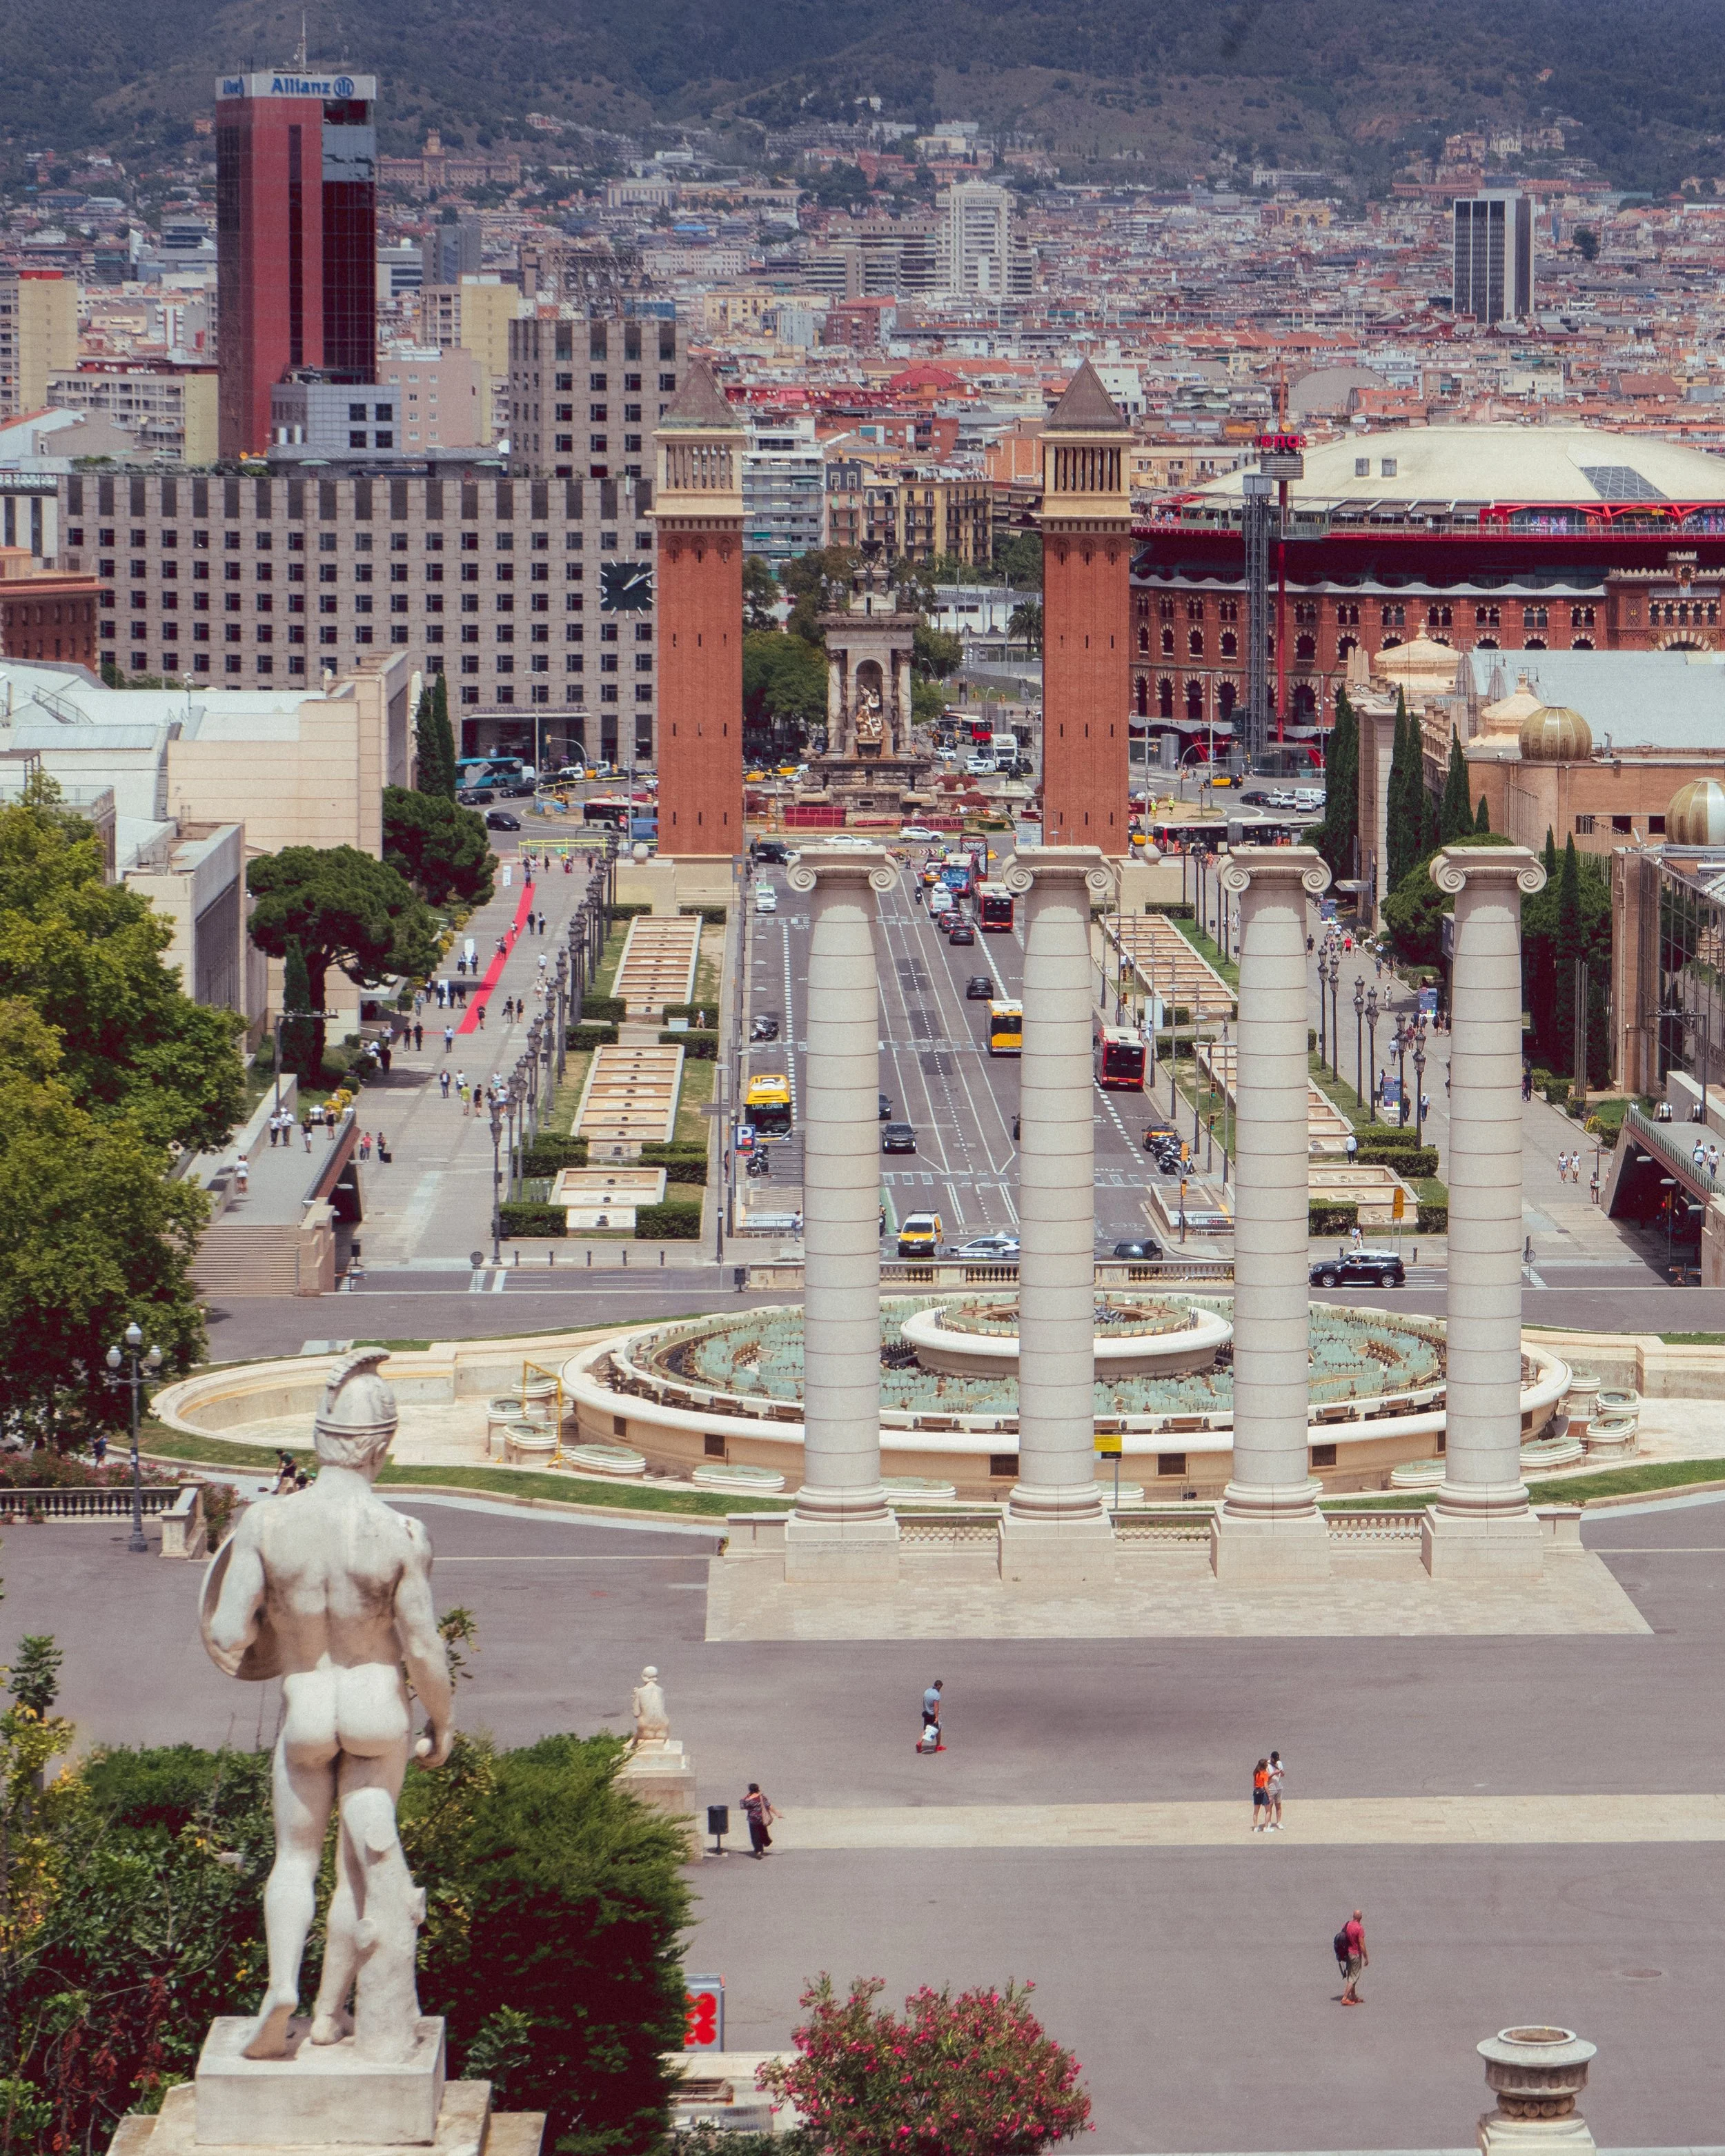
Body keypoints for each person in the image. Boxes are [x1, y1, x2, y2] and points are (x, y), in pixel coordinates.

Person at [740, 1781, 780, 1859]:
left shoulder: (747, 1799)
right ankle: (766, 1842)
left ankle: (758, 1850)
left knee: (755, 1835)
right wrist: (777, 1813)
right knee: (763, 1831)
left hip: (752, 1819)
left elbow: (743, 1806)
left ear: (750, 1790)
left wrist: (747, 1797)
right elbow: (769, 1806)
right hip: (761, 1818)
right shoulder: (761, 1797)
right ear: (758, 1789)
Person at [1339, 1908, 1368, 2004]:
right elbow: (1362, 1944)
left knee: (1351, 1974)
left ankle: (1353, 1996)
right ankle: (1345, 1998)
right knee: (1354, 1977)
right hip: (1355, 1954)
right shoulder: (1359, 1928)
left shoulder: (1347, 1925)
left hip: (1348, 1954)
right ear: (1361, 1917)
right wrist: (1366, 1957)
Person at [919, 1678, 945, 1754]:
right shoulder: (936, 1695)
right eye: (941, 1687)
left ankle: (919, 1743)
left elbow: (924, 1701)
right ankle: (938, 1746)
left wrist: (925, 1709)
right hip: (933, 1714)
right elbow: (936, 1707)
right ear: (939, 1686)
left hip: (926, 1713)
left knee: (926, 1729)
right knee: (938, 1729)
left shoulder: (927, 1691)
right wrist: (936, 1717)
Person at [1252, 1757, 1271, 1831]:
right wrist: (1269, 1795)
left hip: (1256, 1791)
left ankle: (1256, 1827)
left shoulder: (1256, 1773)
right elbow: (1266, 1786)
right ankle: (1266, 1827)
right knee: (1268, 1810)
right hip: (1263, 1792)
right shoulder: (1265, 1774)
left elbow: (1254, 1784)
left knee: (1256, 1811)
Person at [1268, 1750, 1285, 1830]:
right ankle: (1269, 1822)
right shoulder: (1267, 1765)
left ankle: (1279, 1822)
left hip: (1279, 1787)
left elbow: (1282, 1775)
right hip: (1271, 1788)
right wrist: (1274, 1773)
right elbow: (1266, 1778)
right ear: (1272, 1758)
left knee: (1278, 1805)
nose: (1276, 1761)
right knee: (1270, 1806)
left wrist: (1281, 1773)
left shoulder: (1279, 1763)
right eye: (1275, 1759)